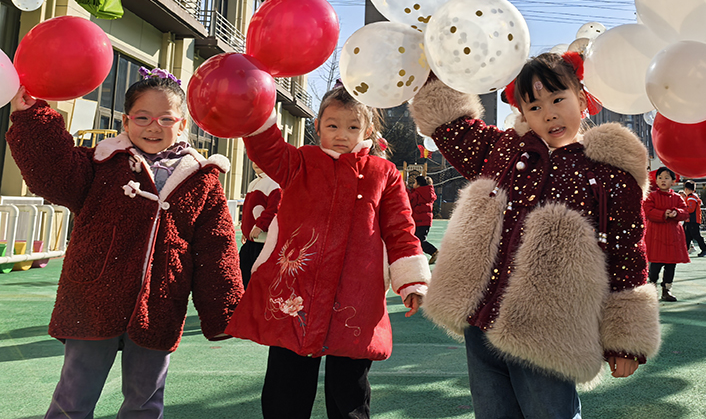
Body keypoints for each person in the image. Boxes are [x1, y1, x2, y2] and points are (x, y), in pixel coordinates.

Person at [409, 52, 660, 419]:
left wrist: (625, 338)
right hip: (482, 317)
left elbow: (627, 254)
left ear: (583, 97)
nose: (549, 113)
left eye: (558, 99)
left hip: (549, 330)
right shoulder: (505, 149)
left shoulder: (610, 175)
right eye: (535, 106)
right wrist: (432, 60)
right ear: (523, 114)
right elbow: (454, 129)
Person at [6, 68, 242, 419]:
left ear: (182, 125)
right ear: (125, 121)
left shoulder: (201, 179)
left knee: (144, 401)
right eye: (142, 117)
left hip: (159, 304)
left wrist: (224, 311)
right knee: (73, 397)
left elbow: (217, 248)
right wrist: (32, 117)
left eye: (165, 118)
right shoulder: (102, 164)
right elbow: (52, 174)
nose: (153, 126)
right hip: (93, 297)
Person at [227, 84, 430, 419]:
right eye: (332, 125)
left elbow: (400, 230)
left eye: (353, 127)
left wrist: (410, 281)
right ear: (317, 125)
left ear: (368, 129)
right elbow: (266, 150)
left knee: (349, 388)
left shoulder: (384, 174)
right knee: (286, 384)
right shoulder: (299, 162)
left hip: (356, 296)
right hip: (296, 292)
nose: (341, 135)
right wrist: (257, 105)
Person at [643, 168, 690, 302]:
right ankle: (652, 288)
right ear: (656, 180)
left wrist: (676, 213)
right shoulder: (651, 196)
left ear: (673, 182)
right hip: (656, 236)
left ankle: (666, 290)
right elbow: (648, 211)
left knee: (671, 265)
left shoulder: (677, 197)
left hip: (672, 236)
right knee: (655, 265)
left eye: (667, 177)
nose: (663, 180)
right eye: (660, 177)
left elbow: (685, 212)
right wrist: (664, 214)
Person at [239, 163, 281, 287]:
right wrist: (245, 231)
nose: (256, 163)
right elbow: (248, 211)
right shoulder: (253, 183)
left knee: (258, 280)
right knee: (242, 274)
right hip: (251, 241)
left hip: (264, 243)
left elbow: (275, 208)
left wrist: (260, 226)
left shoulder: (275, 183)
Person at [407, 173, 438, 264]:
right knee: (418, 238)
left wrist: (405, 189)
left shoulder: (418, 193)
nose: (413, 184)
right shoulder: (427, 193)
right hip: (425, 221)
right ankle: (418, 256)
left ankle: (433, 251)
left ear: (419, 184)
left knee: (418, 239)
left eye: (415, 182)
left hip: (419, 220)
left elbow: (410, 201)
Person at [682, 180, 706, 257]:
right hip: (691, 220)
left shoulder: (691, 198)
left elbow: (690, 209)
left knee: (695, 235)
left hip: (692, 220)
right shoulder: (692, 197)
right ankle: (685, 252)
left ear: (686, 189)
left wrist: (683, 210)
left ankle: (704, 249)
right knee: (687, 236)